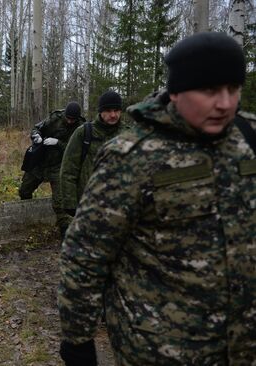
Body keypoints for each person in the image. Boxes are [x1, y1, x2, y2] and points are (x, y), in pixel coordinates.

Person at [58, 32, 256, 366]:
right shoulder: (131, 157)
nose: (224, 103)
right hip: (163, 350)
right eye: (209, 91)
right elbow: (85, 256)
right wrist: (77, 341)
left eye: (233, 89)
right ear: (176, 92)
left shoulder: (249, 137)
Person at [18, 102, 84, 237]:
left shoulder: (81, 127)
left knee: (60, 201)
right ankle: (26, 219)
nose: (70, 121)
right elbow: (37, 128)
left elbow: (77, 151)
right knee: (24, 190)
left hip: (58, 166)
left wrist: (58, 143)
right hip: (40, 162)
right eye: (68, 118)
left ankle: (65, 232)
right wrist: (36, 136)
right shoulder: (55, 118)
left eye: (73, 119)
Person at [60, 91, 124, 221]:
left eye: (116, 110)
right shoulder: (84, 133)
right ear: (100, 111)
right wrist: (70, 203)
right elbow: (68, 170)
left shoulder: (129, 134)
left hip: (120, 207)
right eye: (108, 110)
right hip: (88, 205)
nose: (113, 115)